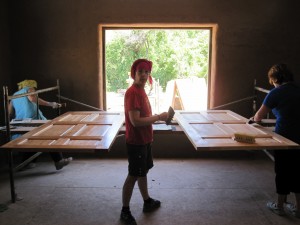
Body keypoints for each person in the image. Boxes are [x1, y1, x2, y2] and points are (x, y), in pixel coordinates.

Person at [120, 59, 169, 225]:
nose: (143, 75)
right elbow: (135, 121)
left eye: (146, 72)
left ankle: (147, 201)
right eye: (140, 71)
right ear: (134, 73)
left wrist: (158, 117)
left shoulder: (141, 91)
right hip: (136, 142)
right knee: (133, 175)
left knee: (143, 171)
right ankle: (125, 211)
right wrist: (158, 117)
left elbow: (144, 116)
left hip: (145, 140)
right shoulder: (133, 92)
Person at [251, 63, 300, 218]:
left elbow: (258, 116)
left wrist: (253, 120)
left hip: (284, 137)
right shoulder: (298, 90)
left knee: (282, 171)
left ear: (275, 79)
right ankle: (298, 208)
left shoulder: (275, 93)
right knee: (298, 171)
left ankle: (279, 206)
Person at [9, 79, 72, 171]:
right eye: (34, 88)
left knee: (33, 139)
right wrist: (50, 104)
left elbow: (9, 112)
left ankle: (29, 162)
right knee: (50, 136)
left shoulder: (14, 95)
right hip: (33, 121)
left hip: (21, 122)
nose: (34, 89)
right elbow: (32, 98)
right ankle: (58, 161)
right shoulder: (29, 88)